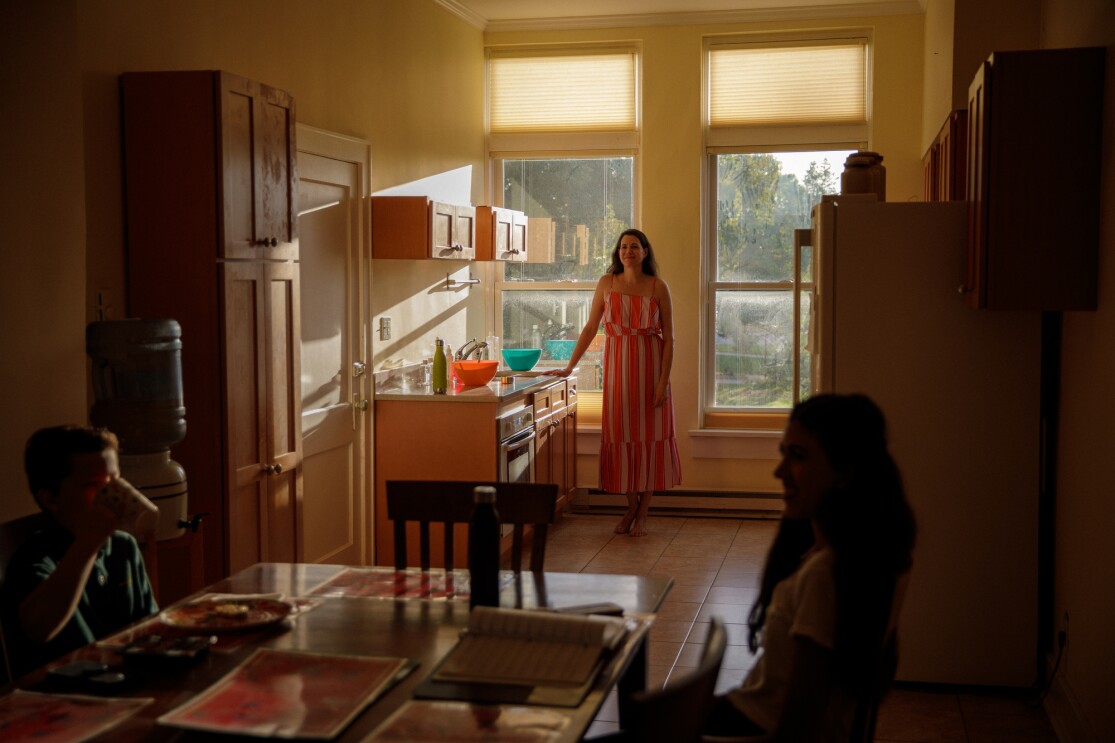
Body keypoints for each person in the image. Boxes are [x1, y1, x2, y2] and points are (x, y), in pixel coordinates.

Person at [703, 393, 916, 741]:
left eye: (798, 457)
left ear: (844, 472)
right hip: (748, 714)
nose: (779, 472)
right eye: (784, 454)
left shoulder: (825, 575)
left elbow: (796, 730)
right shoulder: (878, 557)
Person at [547, 228, 681, 537]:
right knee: (621, 438)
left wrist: (663, 382)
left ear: (645, 252)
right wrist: (568, 367)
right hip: (619, 373)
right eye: (623, 246)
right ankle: (630, 506)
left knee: (650, 440)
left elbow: (670, 338)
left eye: (634, 246)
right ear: (617, 252)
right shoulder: (606, 284)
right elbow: (591, 327)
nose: (628, 251)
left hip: (651, 373)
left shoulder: (658, 287)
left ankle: (643, 513)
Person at [0, 425, 158, 677]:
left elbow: (149, 630)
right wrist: (90, 540)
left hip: (127, 683)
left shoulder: (123, 547)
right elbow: (39, 627)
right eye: (93, 485)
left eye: (114, 481)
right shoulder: (34, 560)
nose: (111, 496)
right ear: (51, 499)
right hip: (61, 697)